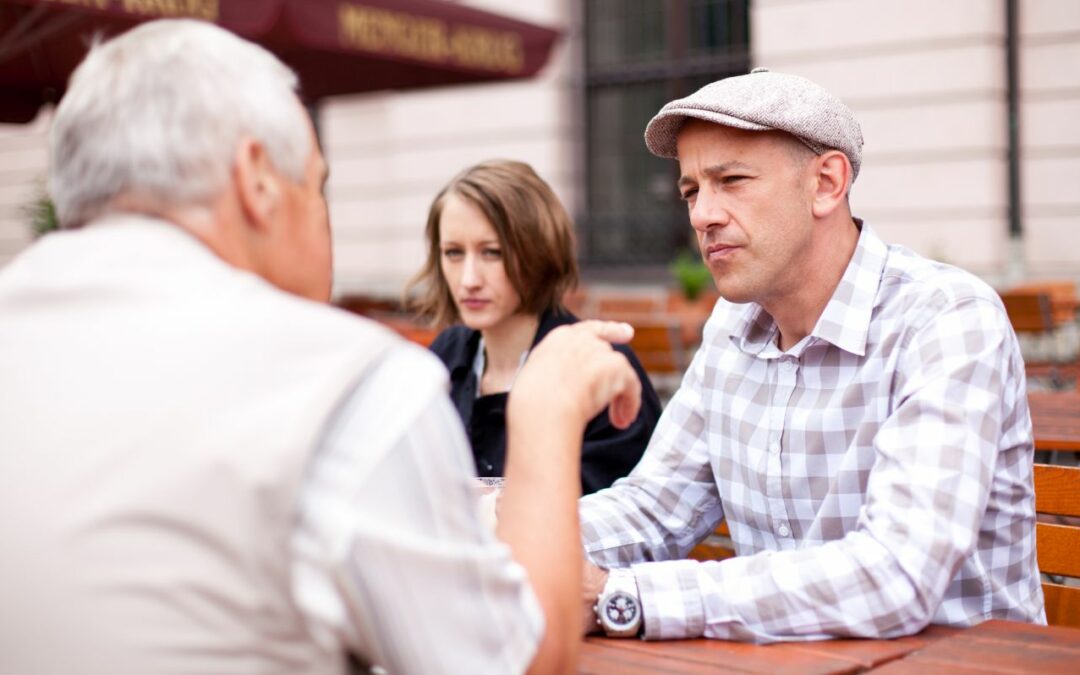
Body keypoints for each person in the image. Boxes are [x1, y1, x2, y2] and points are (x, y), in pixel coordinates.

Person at [0, 20, 643, 674]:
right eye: (317, 184)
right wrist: (542, 418)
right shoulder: (349, 385)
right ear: (256, 178)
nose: (469, 274)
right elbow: (518, 661)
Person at [578, 68, 1045, 643]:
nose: (702, 214)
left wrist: (622, 597)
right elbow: (654, 508)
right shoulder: (733, 327)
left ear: (827, 182)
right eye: (693, 190)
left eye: (733, 180)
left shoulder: (944, 318)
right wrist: (502, 534)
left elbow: (897, 574)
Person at [410, 159, 662, 494]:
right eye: (454, 253)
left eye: (492, 253)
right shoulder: (445, 356)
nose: (469, 279)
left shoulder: (598, 366)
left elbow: (615, 515)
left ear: (538, 251)